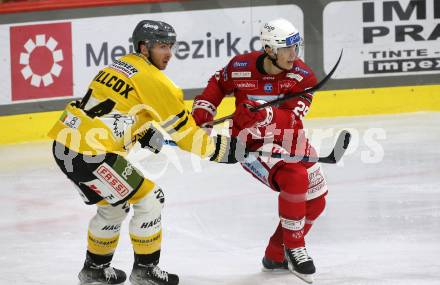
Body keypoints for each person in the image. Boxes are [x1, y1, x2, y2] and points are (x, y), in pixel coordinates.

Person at [48, 20, 245, 285]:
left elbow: (108, 105)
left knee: (113, 207)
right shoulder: (155, 81)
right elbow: (188, 138)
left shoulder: (119, 64)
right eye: (162, 46)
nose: (169, 53)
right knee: (151, 199)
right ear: (144, 46)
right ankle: (145, 271)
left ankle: (94, 269)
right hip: (90, 153)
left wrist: (139, 130)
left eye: (171, 46)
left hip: (65, 145)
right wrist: (224, 150)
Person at [191, 18, 328, 284]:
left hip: (288, 138)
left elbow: (291, 117)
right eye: (286, 49)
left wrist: (265, 114)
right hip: (250, 144)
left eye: (295, 47)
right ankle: (295, 247)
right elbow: (218, 84)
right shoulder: (240, 67)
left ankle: (275, 255)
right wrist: (203, 113)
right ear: (269, 50)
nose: (293, 55)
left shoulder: (302, 76)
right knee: (295, 178)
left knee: (316, 200)